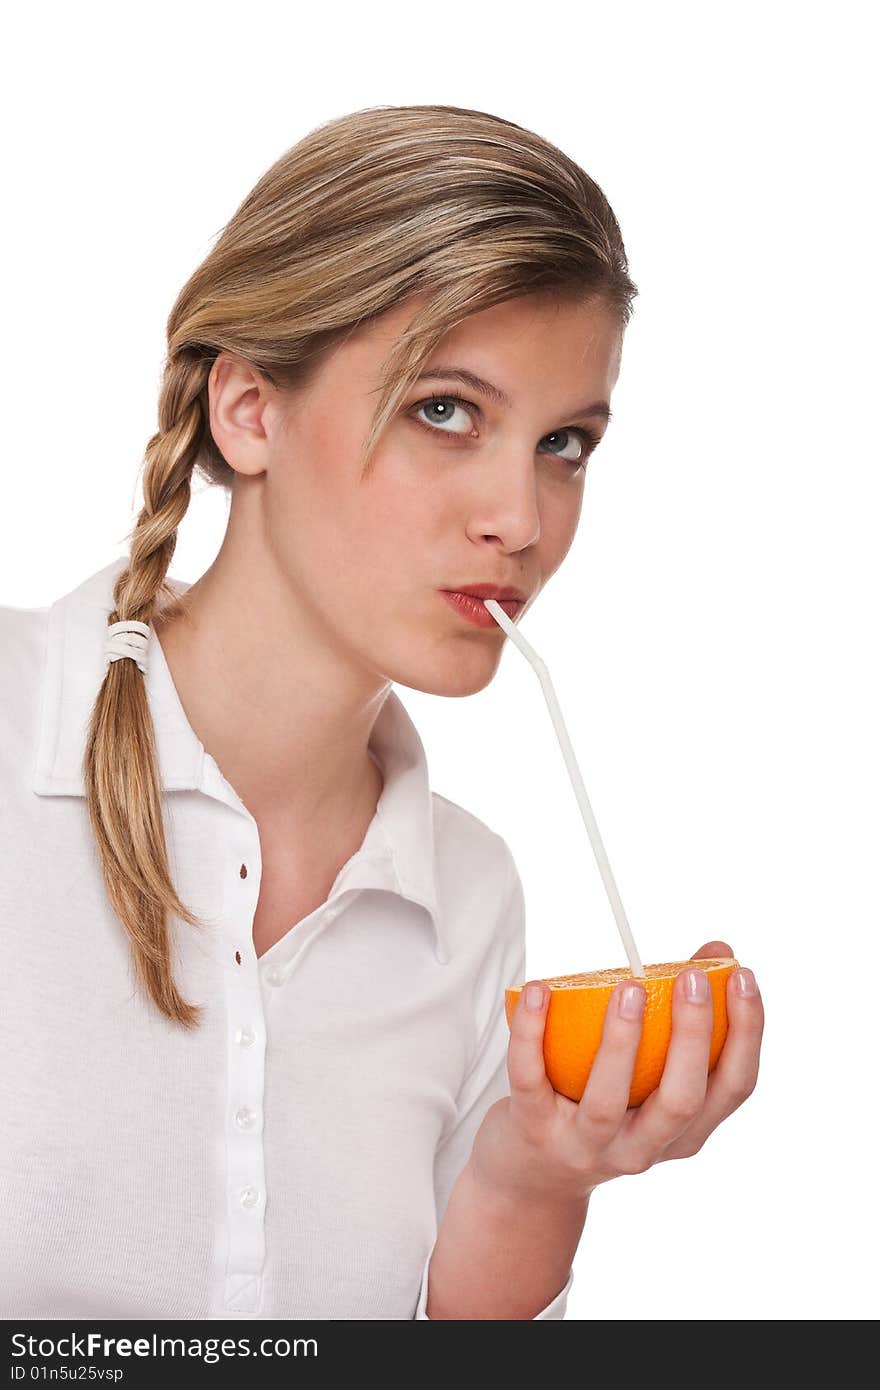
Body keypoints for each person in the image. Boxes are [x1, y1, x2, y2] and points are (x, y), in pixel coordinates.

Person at [0, 103, 763, 1321]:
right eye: (446, 409)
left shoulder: (467, 895)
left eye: (564, 442)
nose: (520, 517)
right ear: (249, 409)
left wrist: (528, 1177)